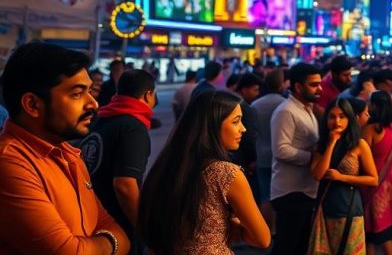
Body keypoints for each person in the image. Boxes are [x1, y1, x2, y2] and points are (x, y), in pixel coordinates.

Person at [0, 43, 131, 255]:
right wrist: (111, 242)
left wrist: (104, 241)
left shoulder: (68, 154)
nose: (93, 104)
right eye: (77, 94)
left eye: (90, 91)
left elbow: (112, 227)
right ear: (33, 105)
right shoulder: (9, 163)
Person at [138, 90, 270, 254]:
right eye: (236, 122)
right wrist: (233, 226)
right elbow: (262, 239)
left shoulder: (168, 166)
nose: (243, 128)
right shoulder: (226, 173)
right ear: (213, 125)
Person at [80, 69, 158, 254]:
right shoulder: (133, 128)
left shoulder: (100, 118)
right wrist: (145, 230)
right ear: (148, 95)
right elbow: (124, 185)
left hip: (88, 216)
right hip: (117, 225)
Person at [310, 97, 378, 255]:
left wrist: (341, 177)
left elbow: (373, 179)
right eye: (332, 117)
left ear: (349, 118)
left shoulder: (359, 145)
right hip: (325, 209)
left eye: (342, 116)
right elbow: (318, 174)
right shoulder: (321, 145)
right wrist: (331, 144)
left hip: (350, 210)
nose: (337, 121)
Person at [270, 63, 323, 255]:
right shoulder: (286, 111)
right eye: (314, 85)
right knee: (286, 247)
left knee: (300, 246)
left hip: (305, 190)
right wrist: (312, 157)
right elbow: (281, 150)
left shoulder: (307, 109)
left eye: (320, 83)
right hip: (290, 192)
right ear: (299, 87)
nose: (320, 88)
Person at [361, 91, 392, 255]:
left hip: (374, 184)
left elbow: (362, 154)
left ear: (373, 105)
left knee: (370, 232)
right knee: (385, 230)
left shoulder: (370, 129)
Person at [252, 68, 288, 229]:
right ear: (281, 85)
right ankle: (274, 229)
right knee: (278, 194)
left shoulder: (255, 105)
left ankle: (266, 229)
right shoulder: (284, 105)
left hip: (261, 154)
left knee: (265, 195)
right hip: (280, 155)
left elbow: (252, 133)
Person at [232, 73, 263, 191]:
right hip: (242, 160)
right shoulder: (244, 107)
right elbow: (250, 135)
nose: (258, 93)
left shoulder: (232, 102)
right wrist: (252, 159)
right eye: (255, 90)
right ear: (244, 90)